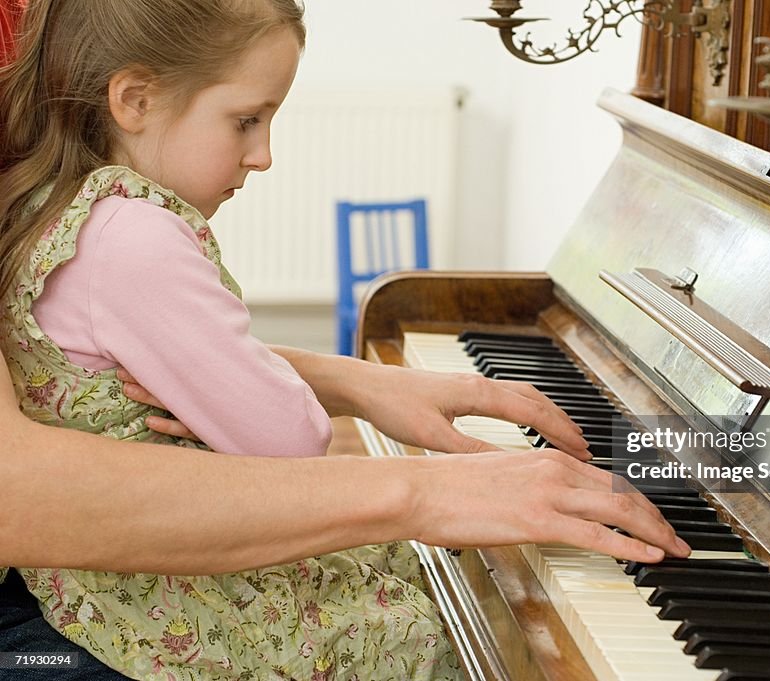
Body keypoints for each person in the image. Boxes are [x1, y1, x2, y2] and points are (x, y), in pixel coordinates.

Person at [0, 1, 689, 679]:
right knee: (417, 637)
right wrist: (264, 398)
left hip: (91, 588)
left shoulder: (51, 203)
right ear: (136, 99)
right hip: (157, 601)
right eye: (247, 121)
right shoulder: (138, 234)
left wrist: (340, 384)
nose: (264, 155)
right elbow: (292, 438)